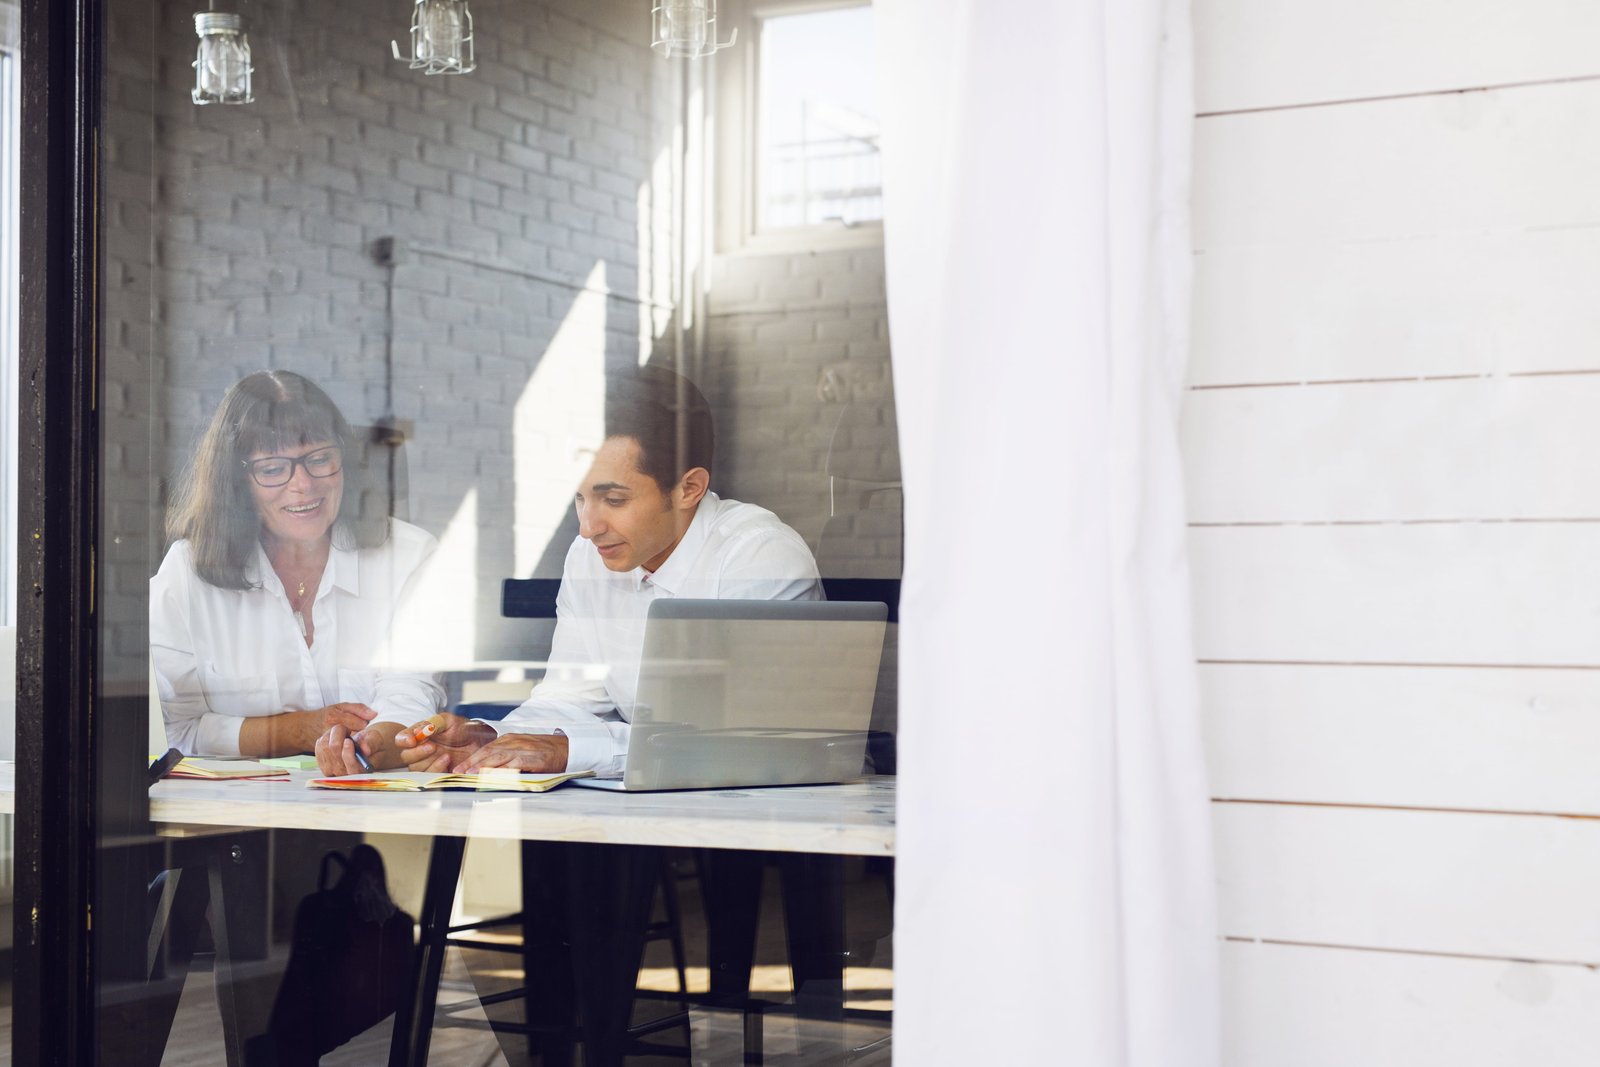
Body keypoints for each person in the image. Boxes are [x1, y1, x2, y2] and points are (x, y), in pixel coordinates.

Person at [316, 364, 822, 776]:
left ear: (688, 489)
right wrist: (488, 738)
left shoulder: (759, 557)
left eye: (614, 499)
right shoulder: (591, 558)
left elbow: (746, 738)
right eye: (579, 498)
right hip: (658, 797)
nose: (587, 527)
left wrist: (567, 751)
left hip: (782, 806)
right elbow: (569, 700)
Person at [151, 370, 445, 758]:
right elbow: (176, 730)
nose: (303, 485)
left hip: (378, 802)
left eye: (320, 459)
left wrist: (370, 745)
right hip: (235, 815)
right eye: (272, 468)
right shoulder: (185, 574)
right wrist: (301, 730)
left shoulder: (409, 555)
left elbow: (411, 695)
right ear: (237, 481)